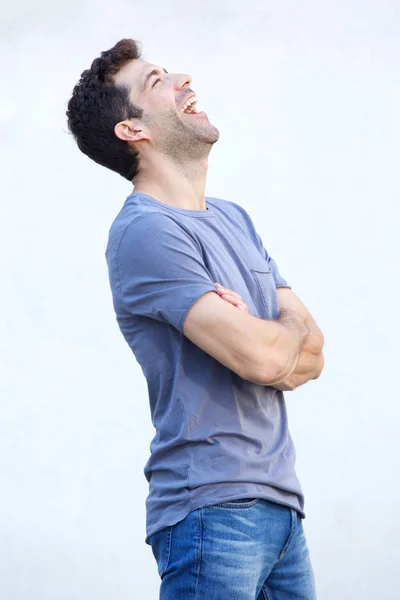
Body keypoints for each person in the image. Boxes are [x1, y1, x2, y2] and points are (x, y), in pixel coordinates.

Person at [66, 38, 324, 600]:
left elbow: (313, 356)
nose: (183, 78)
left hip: (282, 510)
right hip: (211, 513)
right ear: (133, 130)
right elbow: (264, 357)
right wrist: (279, 333)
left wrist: (276, 338)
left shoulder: (235, 219)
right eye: (157, 81)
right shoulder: (146, 232)